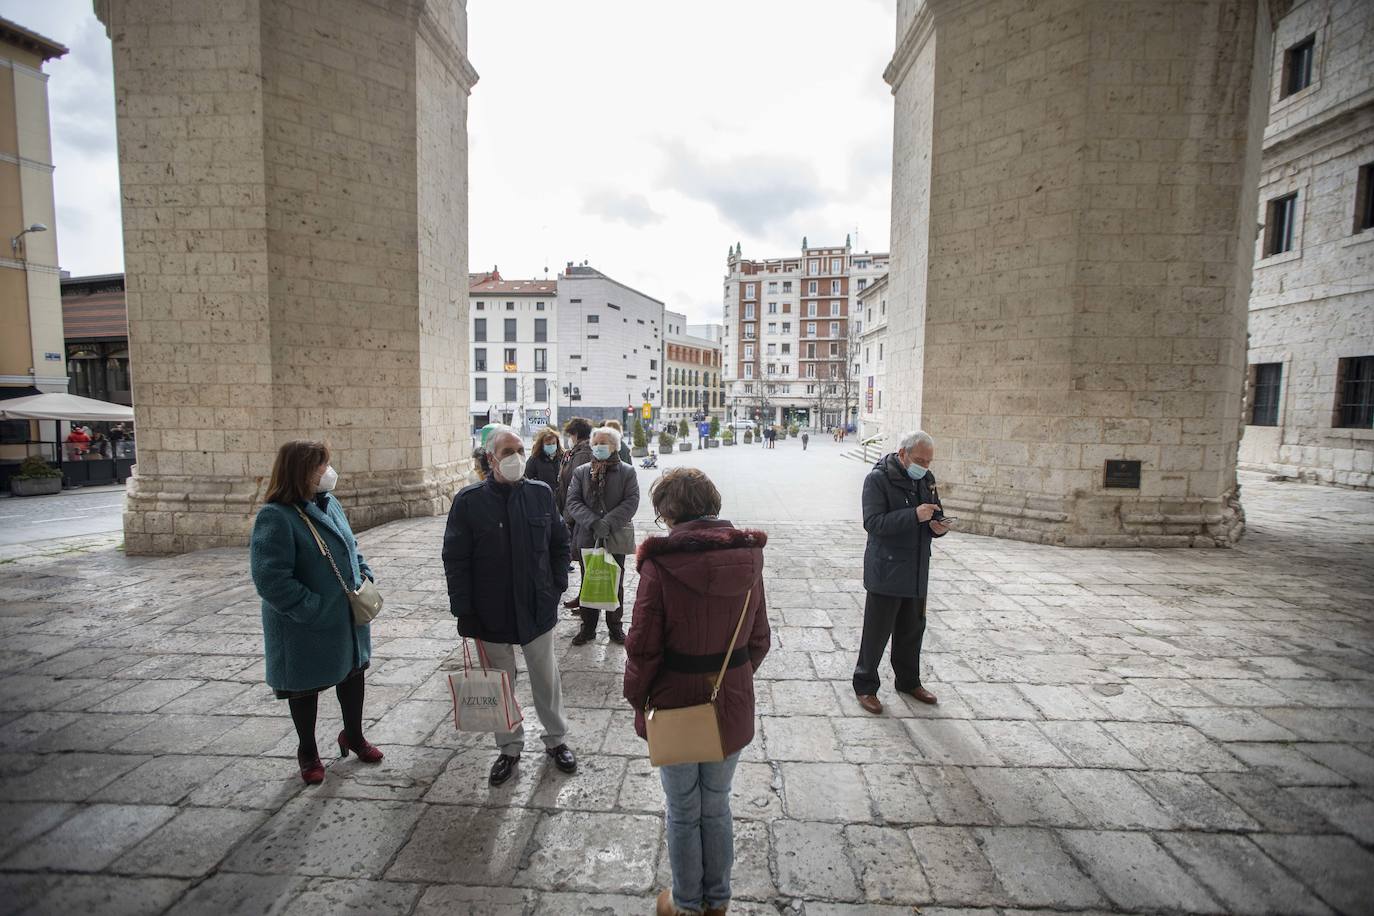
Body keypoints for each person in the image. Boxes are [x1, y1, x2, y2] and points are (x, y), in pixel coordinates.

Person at [623, 468, 770, 916]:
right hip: (731, 698)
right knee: (718, 803)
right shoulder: (749, 558)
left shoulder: (660, 564)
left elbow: (643, 645)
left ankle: (687, 903)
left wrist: (638, 697)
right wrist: (732, 680)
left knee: (684, 807)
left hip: (675, 702)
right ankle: (718, 900)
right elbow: (759, 638)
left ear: (668, 513)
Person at [442, 424, 577, 786]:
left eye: (519, 449)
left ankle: (556, 740)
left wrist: (557, 585)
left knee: (546, 678)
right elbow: (456, 560)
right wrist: (464, 610)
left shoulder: (540, 493)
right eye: (508, 452)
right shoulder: (469, 502)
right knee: (500, 682)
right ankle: (509, 747)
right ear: (490, 459)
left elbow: (559, 544)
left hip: (537, 607)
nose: (516, 457)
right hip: (490, 612)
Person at [250, 440, 382, 785]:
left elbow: (349, 545)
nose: (328, 472)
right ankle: (308, 751)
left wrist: (363, 574)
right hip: (305, 625)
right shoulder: (276, 516)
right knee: (304, 688)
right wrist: (313, 609)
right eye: (321, 466)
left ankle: (353, 735)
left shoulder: (330, 503)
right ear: (302, 472)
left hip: (345, 617)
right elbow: (270, 578)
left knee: (353, 675)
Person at [853, 430, 949, 715]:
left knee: (912, 630)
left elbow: (934, 513)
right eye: (920, 460)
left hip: (918, 568)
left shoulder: (926, 480)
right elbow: (873, 523)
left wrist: (938, 526)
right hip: (887, 569)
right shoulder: (877, 479)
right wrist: (913, 516)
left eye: (929, 461)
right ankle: (865, 686)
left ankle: (909, 681)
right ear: (903, 454)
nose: (924, 466)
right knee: (876, 633)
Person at [566, 426, 640, 645]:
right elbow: (573, 501)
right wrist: (593, 521)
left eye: (604, 442)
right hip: (588, 536)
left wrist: (607, 522)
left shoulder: (627, 471)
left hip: (614, 536)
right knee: (588, 580)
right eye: (596, 443)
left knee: (614, 581)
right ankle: (588, 628)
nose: (599, 446)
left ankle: (615, 627)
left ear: (615, 446)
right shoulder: (582, 471)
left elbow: (631, 501)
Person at [525, 426, 562, 491]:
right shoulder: (534, 459)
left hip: (559, 497)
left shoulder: (562, 457)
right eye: (548, 444)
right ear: (542, 445)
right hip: (542, 496)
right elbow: (527, 478)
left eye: (553, 443)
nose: (551, 446)